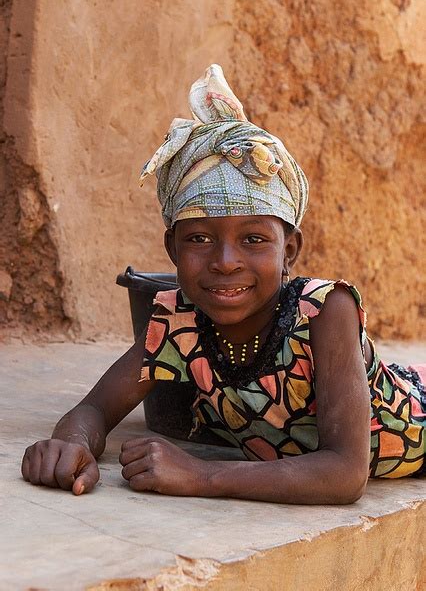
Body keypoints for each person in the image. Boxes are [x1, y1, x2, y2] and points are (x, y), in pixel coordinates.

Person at [21, 65, 425, 504]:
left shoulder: (325, 310)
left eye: (253, 239)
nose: (226, 262)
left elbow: (345, 474)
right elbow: (95, 408)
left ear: (289, 251)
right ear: (172, 249)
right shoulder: (179, 318)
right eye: (199, 238)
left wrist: (202, 476)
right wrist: (73, 443)